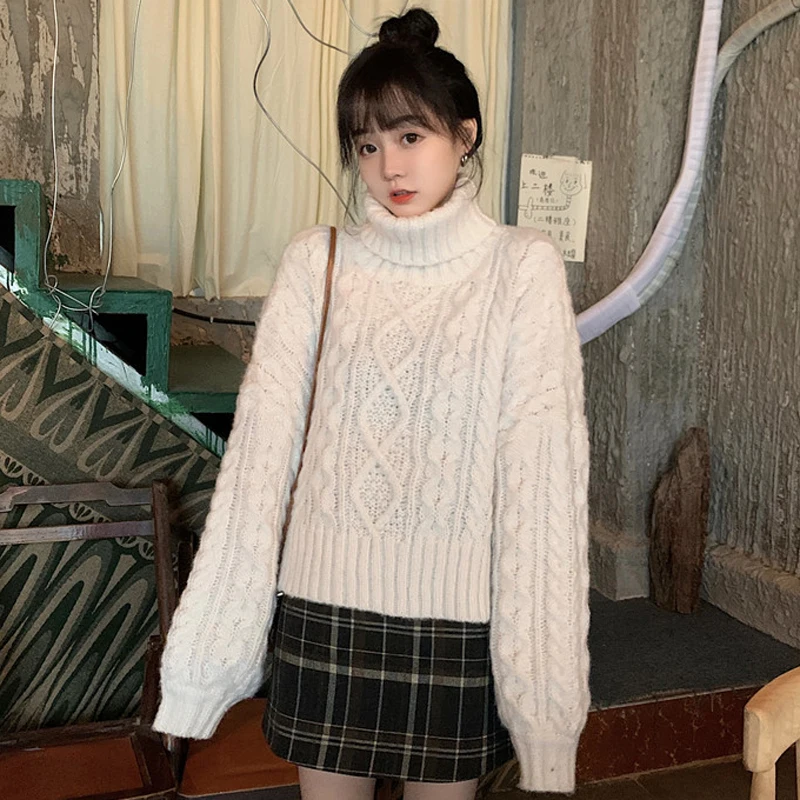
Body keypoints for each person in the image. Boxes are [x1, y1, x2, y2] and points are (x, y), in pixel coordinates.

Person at [153, 8, 590, 800]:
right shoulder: (316, 263)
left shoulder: (520, 268)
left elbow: (543, 486)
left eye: (410, 136)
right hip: (323, 611)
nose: (389, 164)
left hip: (459, 624)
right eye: (366, 145)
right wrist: (203, 666)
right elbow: (258, 464)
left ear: (465, 135)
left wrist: (546, 711)